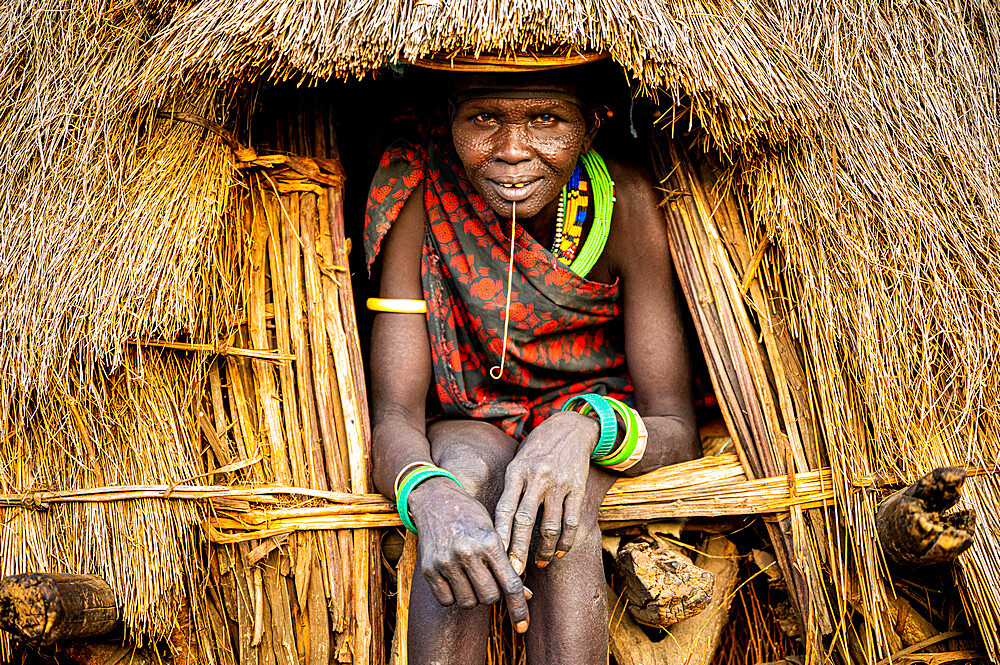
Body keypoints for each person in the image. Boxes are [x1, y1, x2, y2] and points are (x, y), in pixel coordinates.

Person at [364, 66, 699, 665]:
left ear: (593, 125)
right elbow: (393, 414)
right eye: (484, 119)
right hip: (470, 418)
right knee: (465, 470)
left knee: (557, 502)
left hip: (595, 416)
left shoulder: (626, 205)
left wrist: (585, 429)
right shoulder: (420, 190)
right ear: (449, 119)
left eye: (546, 119)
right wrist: (429, 495)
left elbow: (673, 423)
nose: (513, 150)